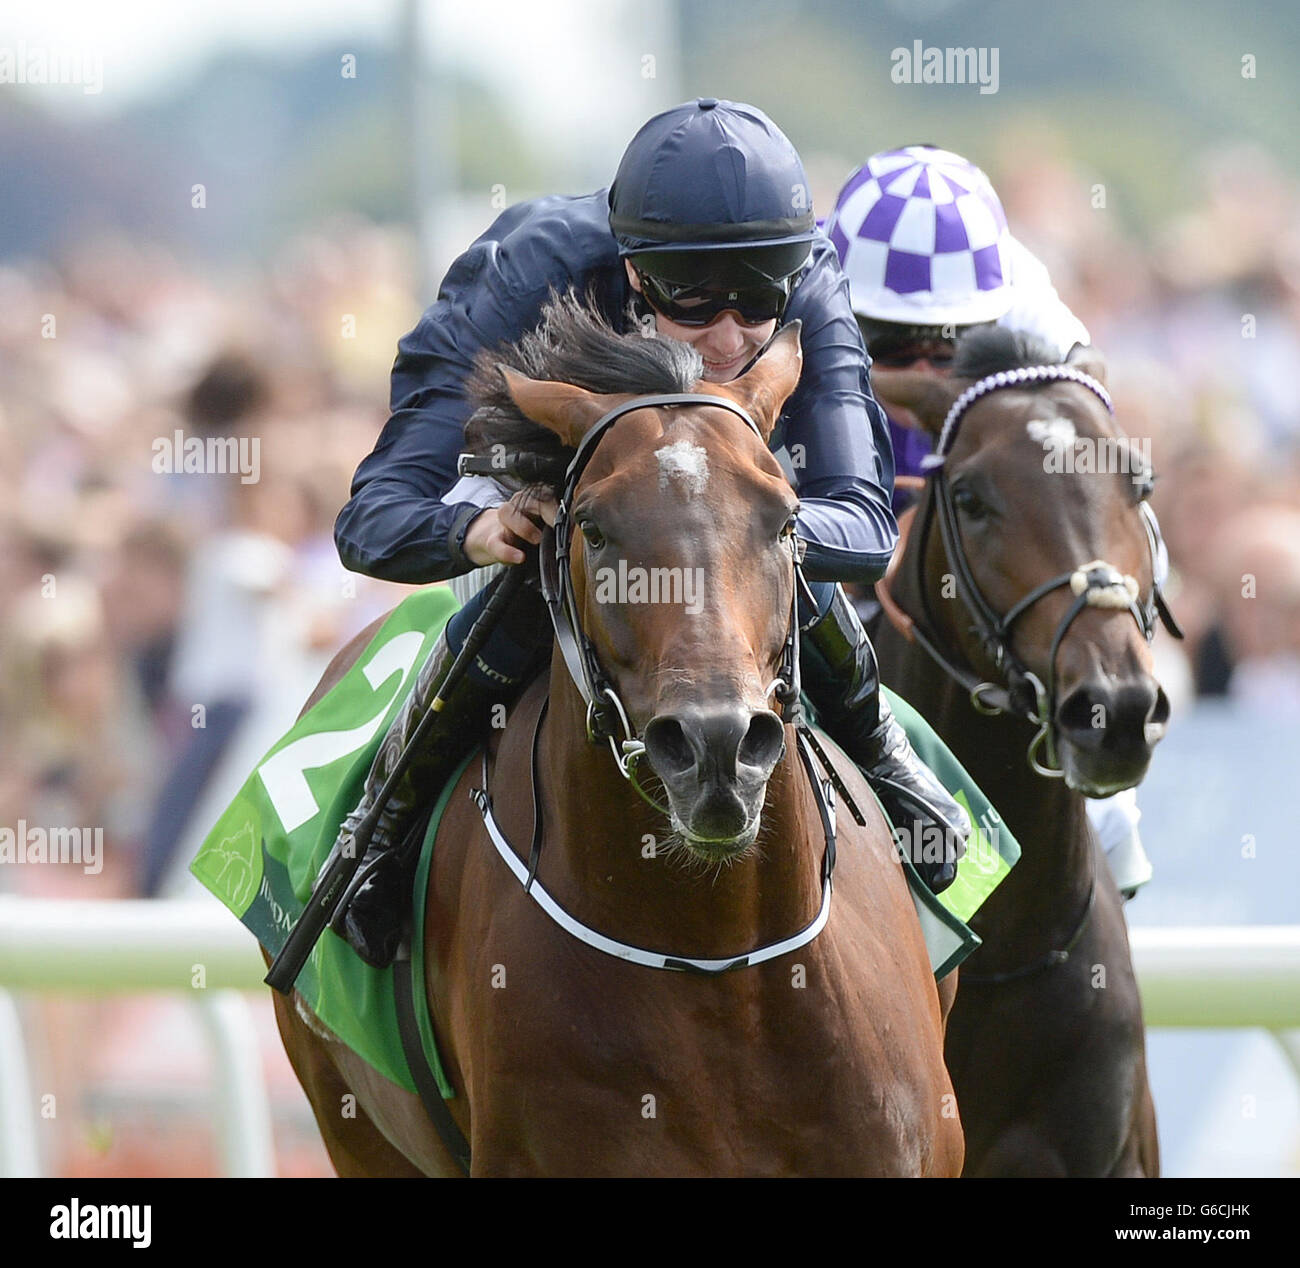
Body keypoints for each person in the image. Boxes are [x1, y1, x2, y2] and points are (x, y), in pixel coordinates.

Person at [329, 101, 970, 968]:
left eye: (755, 302)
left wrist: (725, 532)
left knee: (767, 528)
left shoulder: (808, 278)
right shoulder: (525, 275)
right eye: (693, 300)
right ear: (634, 273)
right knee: (548, 558)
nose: (730, 335)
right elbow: (374, 520)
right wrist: (476, 527)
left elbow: (861, 525)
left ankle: (885, 760)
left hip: (720, 498)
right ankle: (382, 827)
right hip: (553, 498)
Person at [825, 144, 1153, 896]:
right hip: (839, 455)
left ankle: (1106, 807)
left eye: (948, 343)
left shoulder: (1010, 272)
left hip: (974, 470)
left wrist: (928, 393)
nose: (928, 363)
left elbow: (1086, 387)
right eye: (894, 341)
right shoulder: (800, 273)